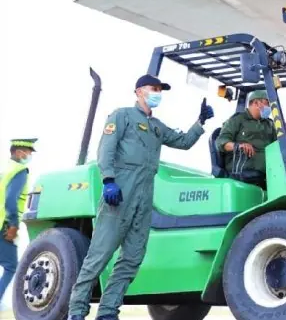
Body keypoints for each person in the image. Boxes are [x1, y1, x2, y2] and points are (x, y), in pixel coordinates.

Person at [67, 75, 214, 320]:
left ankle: (107, 312)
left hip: (145, 197)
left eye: (160, 89)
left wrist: (200, 122)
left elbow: (183, 142)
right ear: (138, 91)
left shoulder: (156, 126)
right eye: (153, 88)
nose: (157, 92)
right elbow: (106, 149)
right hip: (121, 192)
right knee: (100, 255)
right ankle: (76, 312)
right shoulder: (122, 116)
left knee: (132, 259)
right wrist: (109, 180)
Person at [0, 138, 36, 305]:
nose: (29, 155)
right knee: (11, 266)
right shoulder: (20, 170)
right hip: (4, 225)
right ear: (19, 152)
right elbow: (10, 200)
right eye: (28, 152)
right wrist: (13, 225)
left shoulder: (5, 169)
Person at [214, 89, 276, 188]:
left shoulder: (270, 124)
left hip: (270, 173)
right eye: (267, 103)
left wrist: (284, 132)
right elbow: (220, 142)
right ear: (256, 103)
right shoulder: (238, 120)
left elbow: (277, 145)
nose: (270, 108)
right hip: (244, 171)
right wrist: (238, 146)